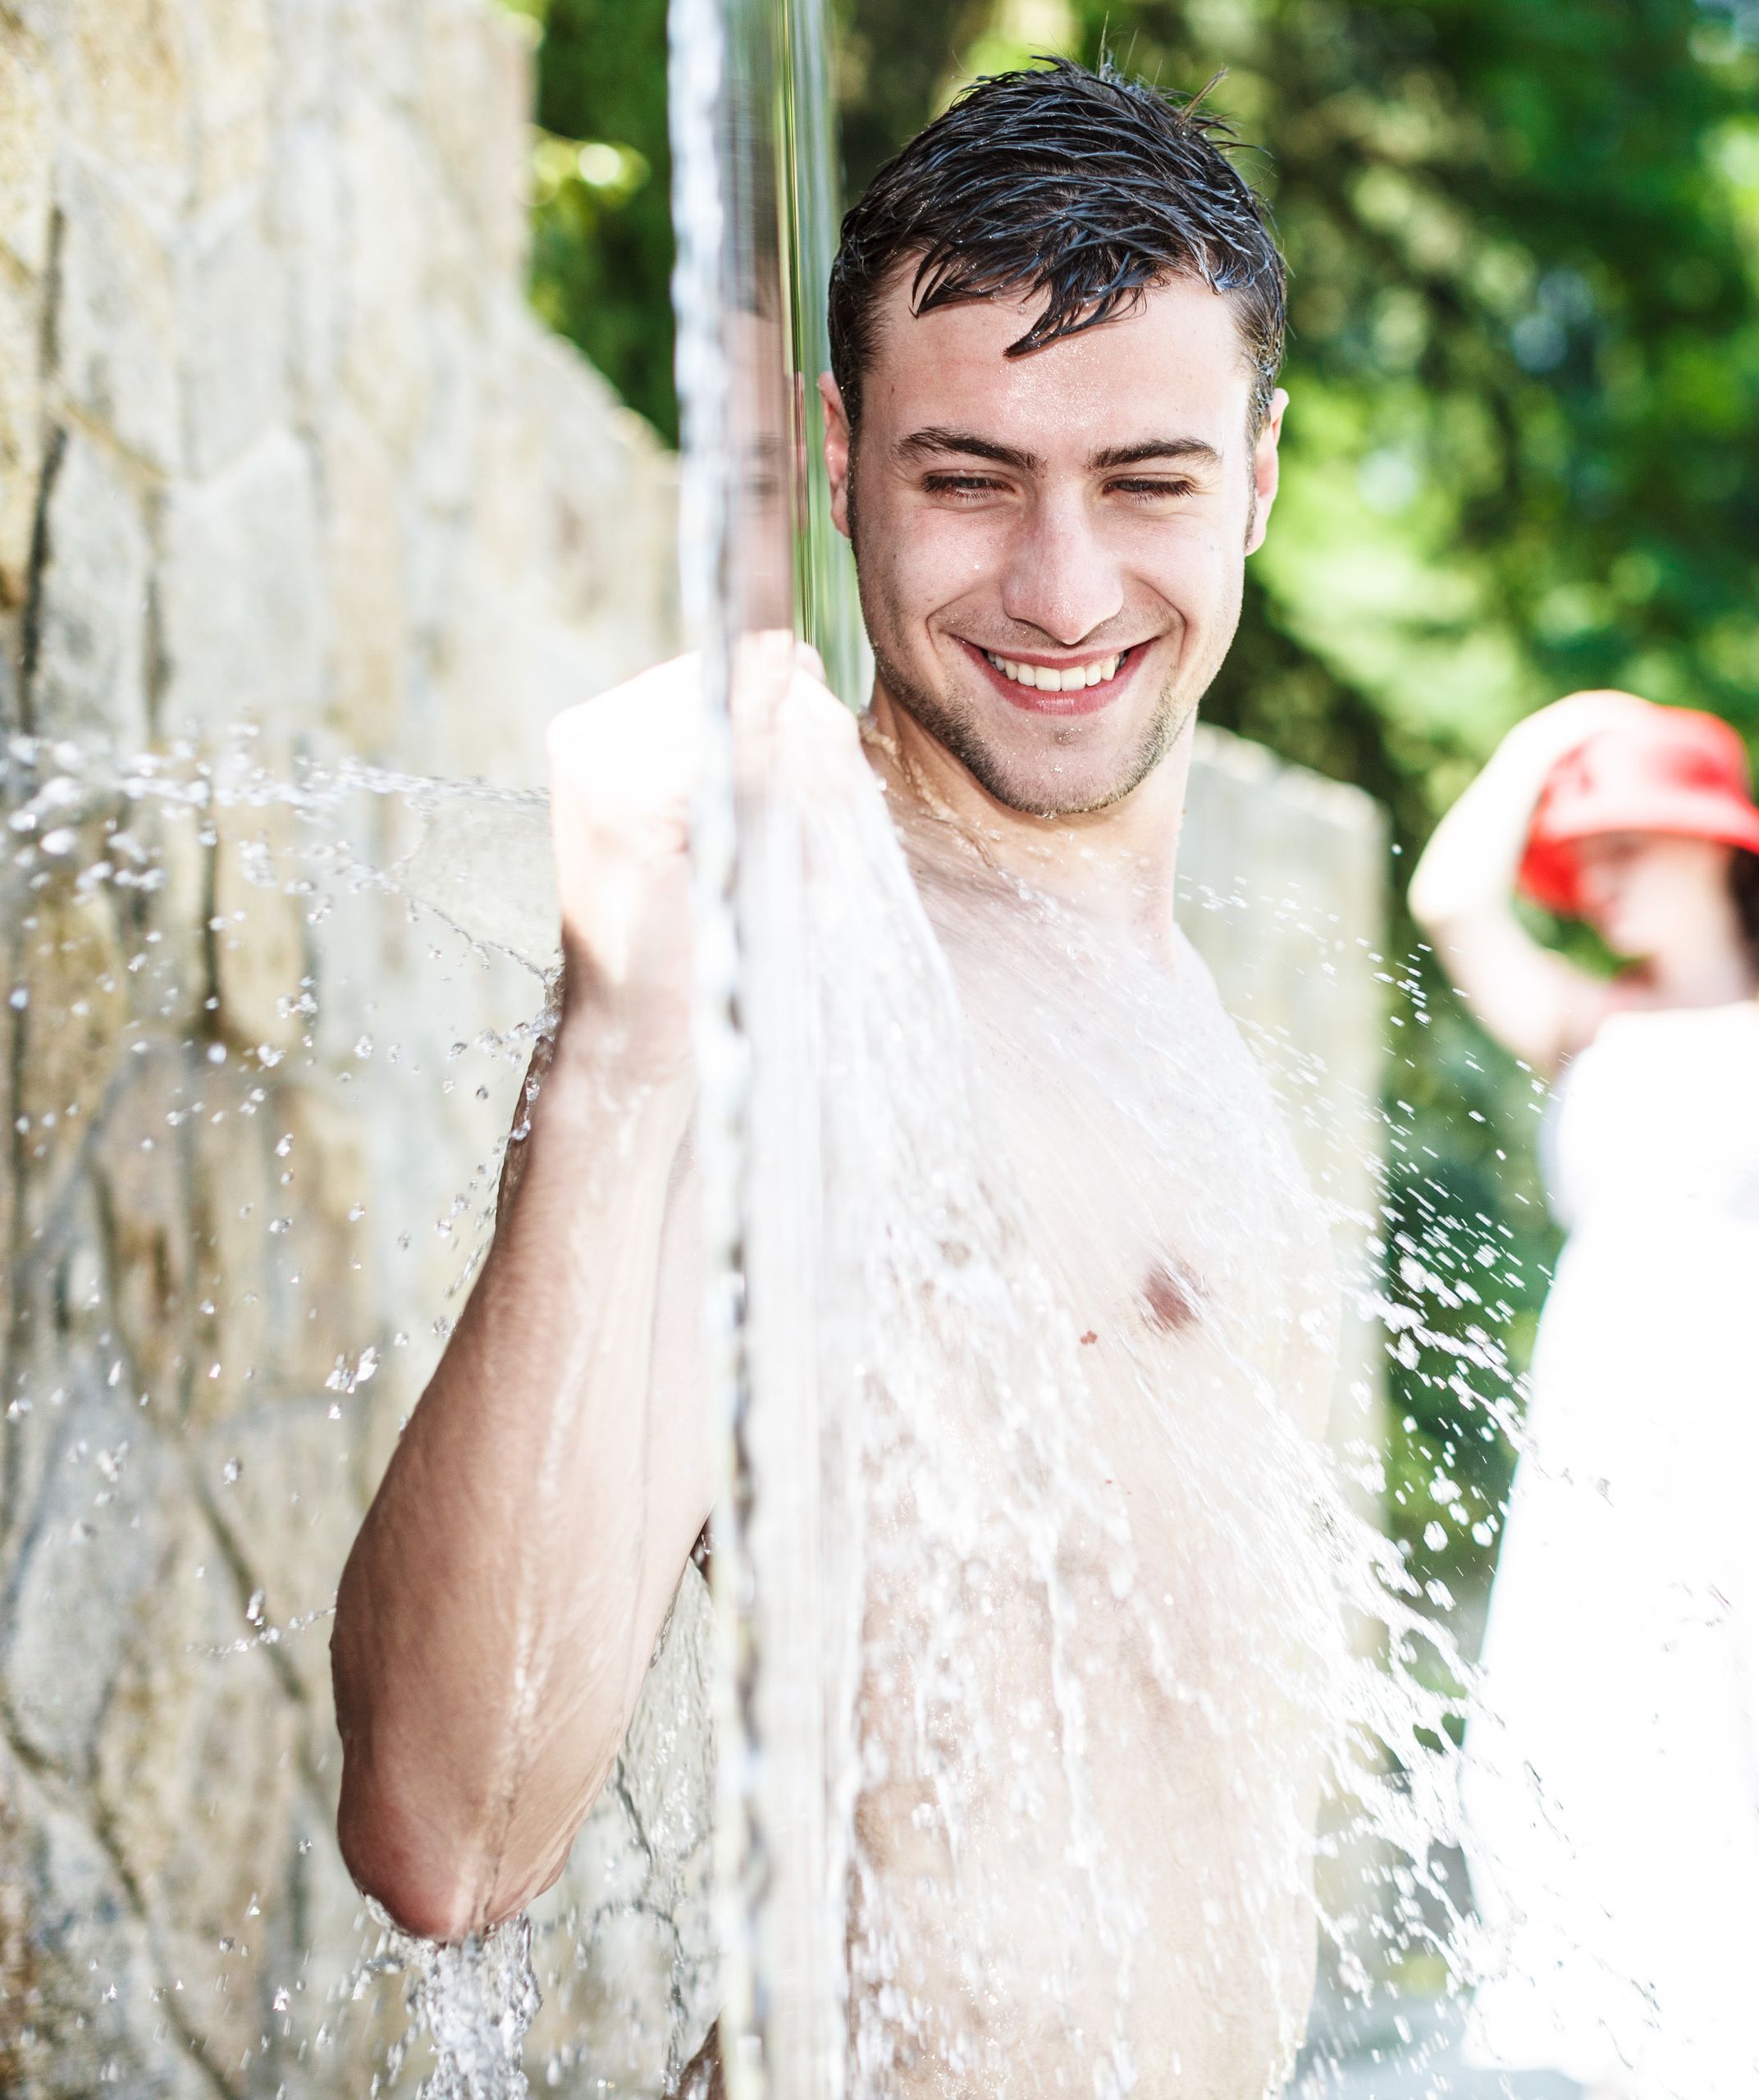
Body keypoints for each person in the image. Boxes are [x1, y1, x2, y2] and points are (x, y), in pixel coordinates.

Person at [330, 62, 1342, 2098]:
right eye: (970, 478)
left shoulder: (1163, 997)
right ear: (842, 455)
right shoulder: (779, 963)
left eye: (1144, 481)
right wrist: (620, 1040)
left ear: (1257, 473)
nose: (1063, 589)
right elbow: (447, 1833)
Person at [1408, 694, 1759, 2100]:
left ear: (1712, 848)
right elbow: (1450, 891)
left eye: (1624, 841)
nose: (1598, 876)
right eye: (1584, 849)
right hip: (1607, 1396)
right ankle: (1592, 2060)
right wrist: (1561, 728)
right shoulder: (1583, 1018)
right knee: (1585, 1703)